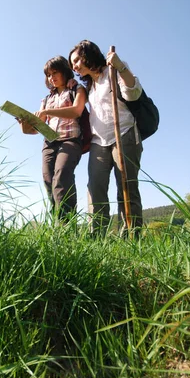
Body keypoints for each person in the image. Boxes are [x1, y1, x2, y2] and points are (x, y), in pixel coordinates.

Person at [68, 40, 144, 236]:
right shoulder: (90, 85)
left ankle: (131, 237)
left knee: (126, 188)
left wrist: (120, 66)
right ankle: (97, 237)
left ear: (88, 55)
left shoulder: (113, 71)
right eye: (72, 64)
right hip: (98, 141)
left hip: (124, 134)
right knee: (95, 187)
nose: (75, 66)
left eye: (76, 60)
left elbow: (133, 93)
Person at [19, 55, 87, 222]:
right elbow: (35, 130)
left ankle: (68, 226)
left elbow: (76, 111)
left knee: (62, 176)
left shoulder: (76, 89)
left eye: (55, 72)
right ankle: (58, 224)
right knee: (49, 181)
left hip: (70, 139)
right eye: (49, 75)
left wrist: (48, 112)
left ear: (65, 71)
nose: (52, 77)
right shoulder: (47, 99)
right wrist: (23, 123)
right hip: (49, 143)